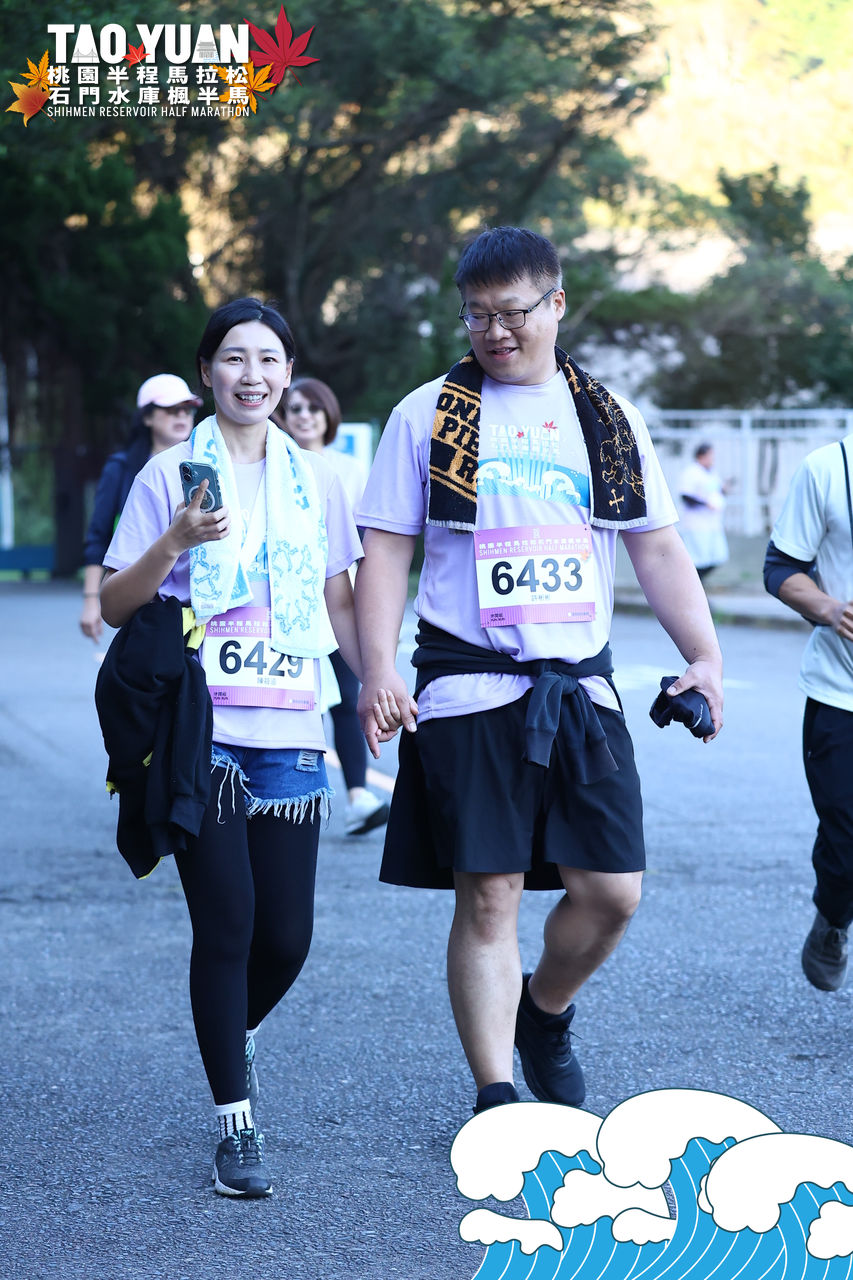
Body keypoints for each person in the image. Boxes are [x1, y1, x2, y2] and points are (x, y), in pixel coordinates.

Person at [354, 226, 724, 1117]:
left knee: (612, 894)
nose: (494, 331)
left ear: (555, 304)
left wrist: (704, 657)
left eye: (512, 312)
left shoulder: (606, 416)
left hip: (578, 689)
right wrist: (376, 668)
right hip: (466, 684)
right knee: (490, 898)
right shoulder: (429, 414)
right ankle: (494, 1097)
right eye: (476, 315)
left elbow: (656, 548)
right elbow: (386, 550)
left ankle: (544, 1010)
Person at [99, 298, 368, 1198]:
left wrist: (376, 682)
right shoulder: (168, 474)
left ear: (288, 373)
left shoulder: (320, 478)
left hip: (291, 726)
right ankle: (235, 1122)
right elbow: (118, 602)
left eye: (267, 359)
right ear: (207, 372)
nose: (251, 375)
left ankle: (231, 1033)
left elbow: (337, 597)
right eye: (233, 358)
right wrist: (175, 539)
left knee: (286, 937)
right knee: (228, 926)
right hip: (199, 731)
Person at [275, 378, 390, 835]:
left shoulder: (350, 469)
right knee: (294, 698)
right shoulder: (273, 463)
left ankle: (358, 796)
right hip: (288, 601)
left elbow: (368, 540)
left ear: (329, 415)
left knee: (344, 694)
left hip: (340, 598)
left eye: (313, 408)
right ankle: (282, 793)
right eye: (295, 408)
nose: (304, 416)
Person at [764, 432, 853, 992]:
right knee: (847, 846)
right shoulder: (830, 468)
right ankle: (833, 916)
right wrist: (828, 607)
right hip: (841, 692)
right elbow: (780, 567)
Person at [80, 374, 202, 641]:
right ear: (147, 417)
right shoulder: (121, 468)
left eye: (187, 409)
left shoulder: (207, 466)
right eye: (171, 409)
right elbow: (98, 536)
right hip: (137, 595)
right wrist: (91, 601)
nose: (181, 416)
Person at [677, 443, 730, 581]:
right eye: (710, 456)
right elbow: (685, 496)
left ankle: (697, 583)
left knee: (718, 556)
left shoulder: (712, 473)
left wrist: (724, 490)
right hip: (696, 524)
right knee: (697, 559)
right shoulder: (691, 472)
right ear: (701, 456)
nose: (712, 459)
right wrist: (705, 504)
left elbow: (715, 492)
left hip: (713, 524)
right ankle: (692, 584)